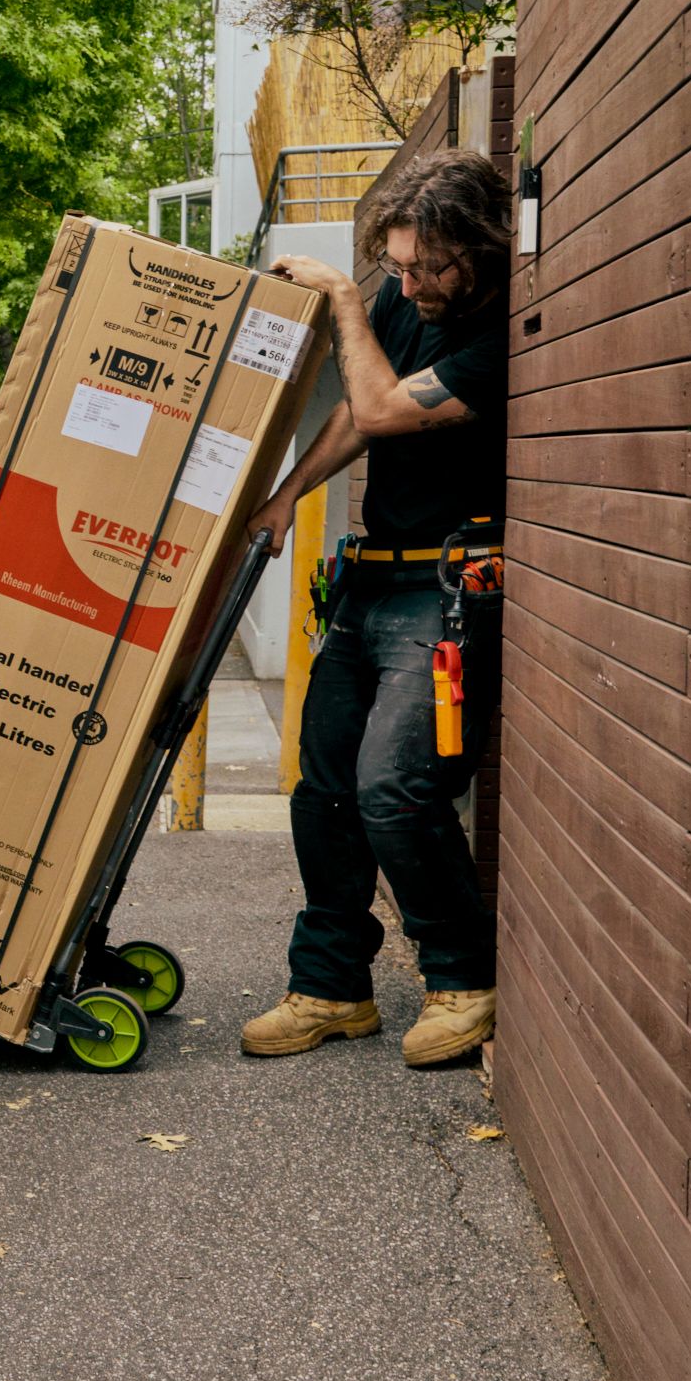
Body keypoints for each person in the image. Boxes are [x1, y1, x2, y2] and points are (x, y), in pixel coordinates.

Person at [240, 147, 511, 1066]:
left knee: (395, 789)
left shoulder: (500, 332)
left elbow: (389, 407)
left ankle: (464, 979)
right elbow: (357, 413)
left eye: (426, 266)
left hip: (445, 593)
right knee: (323, 793)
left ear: (478, 246)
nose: (410, 282)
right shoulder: (404, 298)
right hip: (371, 583)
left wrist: (350, 302)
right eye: (394, 267)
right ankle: (330, 988)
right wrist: (289, 494)